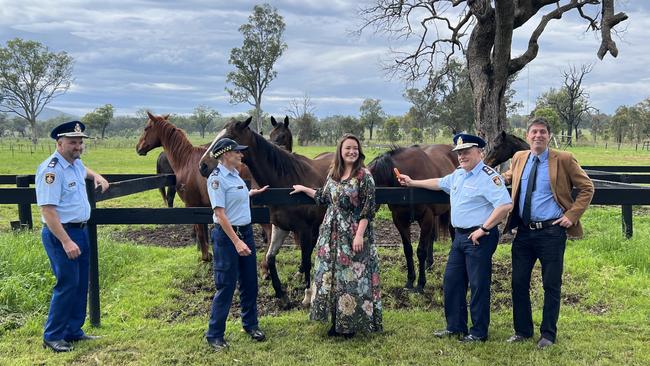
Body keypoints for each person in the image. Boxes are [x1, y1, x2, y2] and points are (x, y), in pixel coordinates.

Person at [397, 133, 512, 342]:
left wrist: (484, 229)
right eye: (459, 153)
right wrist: (412, 182)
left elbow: (505, 205)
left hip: (479, 237)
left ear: (480, 152)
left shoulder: (488, 177)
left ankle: (478, 332)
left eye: (466, 152)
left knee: (478, 285)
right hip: (460, 237)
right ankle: (456, 326)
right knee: (452, 281)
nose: (461, 156)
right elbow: (439, 182)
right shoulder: (459, 174)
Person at [501, 117, 594, 348]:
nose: (538, 136)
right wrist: (490, 176)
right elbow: (509, 177)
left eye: (542, 132)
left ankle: (548, 334)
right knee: (518, 282)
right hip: (522, 232)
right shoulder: (519, 157)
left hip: (551, 232)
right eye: (534, 132)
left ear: (549, 135)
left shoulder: (563, 159)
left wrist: (571, 216)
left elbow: (587, 188)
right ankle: (522, 331)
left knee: (551, 284)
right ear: (527, 135)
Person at [291, 134, 382, 338]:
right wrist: (304, 188)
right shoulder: (334, 173)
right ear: (340, 151)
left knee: (350, 278)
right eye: (348, 148)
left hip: (353, 233)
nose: (352, 152)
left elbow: (368, 208)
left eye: (355, 148)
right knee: (332, 277)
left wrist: (359, 235)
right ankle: (336, 322)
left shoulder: (364, 176)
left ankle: (349, 325)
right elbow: (323, 196)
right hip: (330, 235)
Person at [36, 121, 109, 352]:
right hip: (62, 234)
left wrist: (97, 175)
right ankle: (53, 335)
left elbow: (84, 170)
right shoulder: (52, 170)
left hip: (81, 230)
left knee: (79, 284)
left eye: (80, 142)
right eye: (72, 142)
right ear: (59, 143)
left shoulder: (75, 164)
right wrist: (66, 241)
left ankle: (73, 331)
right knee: (67, 284)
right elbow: (47, 210)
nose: (78, 146)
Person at [205, 138, 269, 351]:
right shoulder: (216, 179)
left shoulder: (235, 176)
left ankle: (250, 324)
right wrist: (237, 241)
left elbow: (234, 198)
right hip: (227, 237)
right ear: (225, 154)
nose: (241, 155)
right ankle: (214, 334)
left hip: (245, 233)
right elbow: (220, 214)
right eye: (237, 152)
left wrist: (250, 193)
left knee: (250, 282)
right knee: (226, 285)